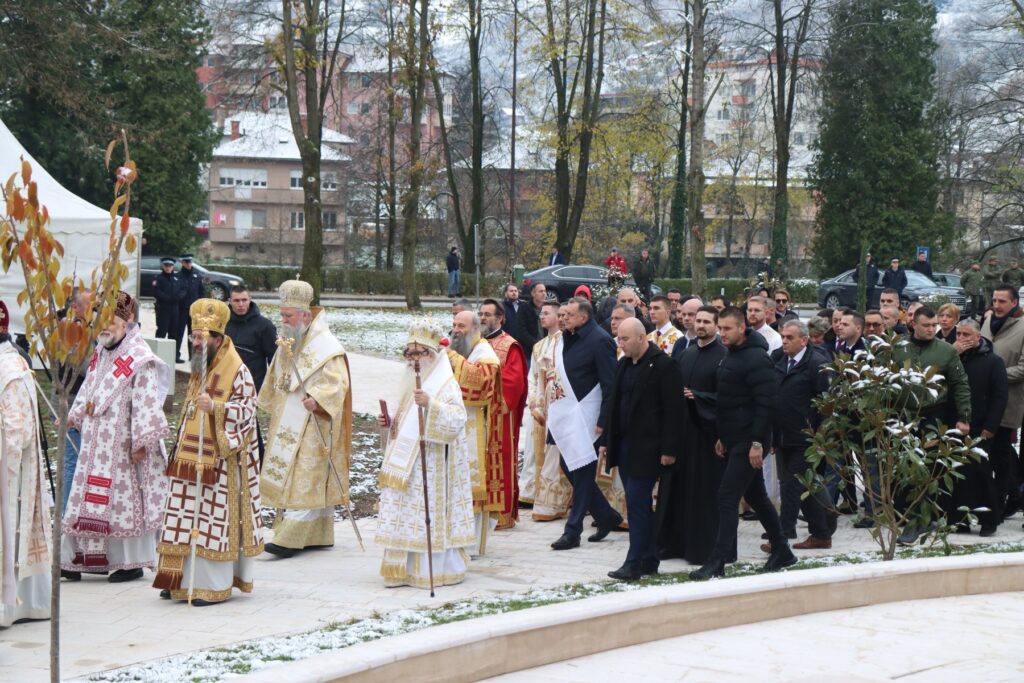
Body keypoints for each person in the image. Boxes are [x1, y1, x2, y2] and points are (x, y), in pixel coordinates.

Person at [153, 299, 263, 605]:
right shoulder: (200, 365)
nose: (195, 343)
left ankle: (209, 585)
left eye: (201, 338)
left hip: (219, 464)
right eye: (193, 337)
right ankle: (177, 579)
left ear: (218, 338)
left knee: (209, 521)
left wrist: (216, 407)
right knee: (181, 517)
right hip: (187, 459)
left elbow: (248, 412)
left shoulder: (238, 370)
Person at [61, 291, 171, 582]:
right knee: (86, 498)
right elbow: (89, 388)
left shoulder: (140, 357)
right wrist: (73, 415)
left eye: (110, 321)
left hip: (123, 447)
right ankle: (79, 559)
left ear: (127, 320)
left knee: (121, 505)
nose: (104, 327)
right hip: (95, 443)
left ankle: (129, 563)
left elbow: (147, 401)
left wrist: (140, 442)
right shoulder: (102, 349)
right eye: (100, 320)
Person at [690, 308, 795, 580]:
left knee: (726, 497)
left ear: (742, 328)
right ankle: (783, 550)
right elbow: (728, 401)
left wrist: (758, 443)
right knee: (756, 496)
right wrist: (722, 436)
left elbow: (766, 404)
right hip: (733, 438)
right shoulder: (731, 354)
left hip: (750, 440)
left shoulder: (757, 359)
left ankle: (718, 560)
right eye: (720, 328)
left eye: (727, 329)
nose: (722, 334)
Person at [375, 319, 475, 588]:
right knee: (406, 514)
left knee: (425, 515)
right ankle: (401, 570)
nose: (413, 360)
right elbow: (405, 420)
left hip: (432, 463)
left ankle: (432, 570)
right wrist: (389, 423)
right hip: (408, 465)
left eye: (418, 353)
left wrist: (431, 404)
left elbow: (457, 419)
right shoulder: (411, 382)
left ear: (431, 354)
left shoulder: (445, 383)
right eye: (409, 354)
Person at [258, 280, 352, 557]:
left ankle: (291, 536)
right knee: (296, 475)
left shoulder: (327, 346)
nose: (283, 320)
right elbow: (276, 376)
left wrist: (319, 400)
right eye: (282, 315)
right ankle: (318, 534)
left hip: (313, 421)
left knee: (307, 475)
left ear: (305, 316)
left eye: (288, 316)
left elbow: (338, 382)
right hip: (288, 418)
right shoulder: (290, 340)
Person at [601, 319, 683, 581]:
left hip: (649, 447)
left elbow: (674, 411)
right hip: (624, 445)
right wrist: (605, 440)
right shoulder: (624, 364)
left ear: (640, 337)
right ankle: (649, 559)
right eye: (619, 339)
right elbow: (613, 403)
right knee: (639, 504)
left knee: (636, 503)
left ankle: (633, 562)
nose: (621, 344)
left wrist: (669, 449)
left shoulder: (664, 365)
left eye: (625, 339)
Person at [549, 297, 623, 550]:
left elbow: (610, 384)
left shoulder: (600, 340)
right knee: (568, 466)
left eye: (568, 315)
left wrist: (604, 420)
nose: (563, 318)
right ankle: (606, 515)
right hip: (568, 414)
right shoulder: (567, 337)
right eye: (562, 314)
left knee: (581, 472)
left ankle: (573, 532)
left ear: (583, 317)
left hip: (588, 417)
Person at [662, 306, 729, 564]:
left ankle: (703, 549)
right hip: (683, 434)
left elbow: (728, 397)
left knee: (704, 493)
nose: (700, 325)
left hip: (709, 436)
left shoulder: (724, 356)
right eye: (698, 321)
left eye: (706, 322)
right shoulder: (686, 354)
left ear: (716, 325)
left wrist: (698, 396)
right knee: (680, 490)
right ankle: (677, 544)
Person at [0, 300, 51, 626]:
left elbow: (17, 429)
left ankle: (11, 606)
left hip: (11, 472)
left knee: (10, 536)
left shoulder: (11, 370)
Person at [771, 320, 834, 550]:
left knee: (792, 484)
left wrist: (819, 437)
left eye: (790, 337)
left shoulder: (816, 364)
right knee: (804, 486)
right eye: (783, 337)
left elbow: (827, 404)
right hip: (783, 436)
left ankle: (782, 536)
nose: (784, 341)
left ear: (804, 340)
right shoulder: (779, 359)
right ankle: (822, 534)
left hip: (806, 438)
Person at [448, 310, 503, 554]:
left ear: (475, 328)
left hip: (478, 429)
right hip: (458, 427)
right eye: (454, 325)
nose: (456, 330)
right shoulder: (461, 351)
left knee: (474, 485)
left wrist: (452, 359)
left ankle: (472, 544)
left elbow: (480, 386)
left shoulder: (485, 353)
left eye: (461, 326)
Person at [951, 319, 1006, 536]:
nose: (961, 339)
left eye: (966, 335)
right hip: (955, 425)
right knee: (957, 474)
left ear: (978, 337)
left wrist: (991, 426)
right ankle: (960, 520)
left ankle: (989, 520)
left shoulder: (993, 361)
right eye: (958, 334)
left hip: (981, 426)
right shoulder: (952, 357)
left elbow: (1000, 396)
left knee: (981, 473)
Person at [479, 299, 528, 529]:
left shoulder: (510, 346)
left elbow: (514, 383)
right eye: (481, 314)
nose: (483, 318)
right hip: (475, 417)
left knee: (499, 465)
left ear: (500, 318)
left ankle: (500, 515)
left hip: (499, 417)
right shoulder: (475, 344)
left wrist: (486, 396)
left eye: (488, 314)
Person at [525, 302, 572, 521]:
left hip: (561, 403)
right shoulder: (538, 346)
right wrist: (534, 402)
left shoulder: (567, 341)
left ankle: (561, 500)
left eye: (547, 313)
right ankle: (544, 498)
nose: (542, 316)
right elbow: (533, 376)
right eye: (541, 313)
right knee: (541, 453)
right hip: (542, 405)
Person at [980, 284, 1024, 520]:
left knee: (1001, 454)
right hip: (983, 401)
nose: (996, 305)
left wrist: (994, 375)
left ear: (1014, 303)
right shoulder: (988, 321)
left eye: (1002, 301)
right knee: (992, 453)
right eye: (994, 300)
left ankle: (1000, 504)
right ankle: (1011, 494)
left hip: (1009, 401)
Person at [225, 285, 277, 466]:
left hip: (252, 385)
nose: (241, 304)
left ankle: (257, 462)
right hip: (226, 383)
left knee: (250, 424)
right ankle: (229, 459)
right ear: (230, 301)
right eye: (236, 301)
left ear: (250, 300)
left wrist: (272, 386)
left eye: (244, 300)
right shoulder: (223, 324)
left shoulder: (264, 326)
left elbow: (274, 359)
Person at [55, 288, 92, 514]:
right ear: (75, 307)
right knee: (73, 461)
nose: (94, 310)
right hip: (70, 401)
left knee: (78, 459)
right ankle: (66, 512)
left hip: (80, 401)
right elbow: (86, 367)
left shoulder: (85, 328)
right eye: (89, 305)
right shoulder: (70, 330)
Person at [174, 255, 205, 363]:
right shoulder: (178, 276)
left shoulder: (197, 276)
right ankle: (176, 355)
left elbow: (201, 292)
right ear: (182, 263)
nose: (188, 264)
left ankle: (193, 356)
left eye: (190, 262)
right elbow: (176, 292)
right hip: (182, 309)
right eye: (186, 262)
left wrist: (200, 305)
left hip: (194, 311)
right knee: (179, 333)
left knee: (193, 334)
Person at [153, 257, 183, 341]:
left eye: (170, 266)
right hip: (163, 309)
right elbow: (156, 292)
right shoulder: (158, 278)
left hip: (175, 309)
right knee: (161, 332)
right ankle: (158, 349)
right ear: (163, 266)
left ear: (173, 267)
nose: (168, 268)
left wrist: (178, 297)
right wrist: (168, 298)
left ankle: (171, 350)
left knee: (173, 333)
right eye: (166, 266)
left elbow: (183, 289)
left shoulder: (177, 279)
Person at [515, 283, 546, 361]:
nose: (544, 294)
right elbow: (521, 330)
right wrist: (535, 344)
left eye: (544, 291)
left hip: (545, 349)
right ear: (533, 293)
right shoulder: (524, 308)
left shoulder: (547, 308)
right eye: (540, 291)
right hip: (529, 351)